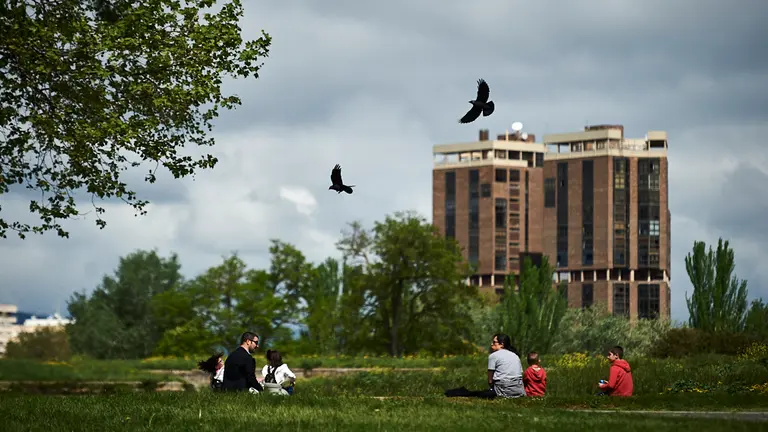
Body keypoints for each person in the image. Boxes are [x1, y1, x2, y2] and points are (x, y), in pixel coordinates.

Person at [444, 333, 526, 399]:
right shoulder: (515, 355)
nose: (491, 344)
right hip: (519, 390)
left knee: (477, 394)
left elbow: (490, 381)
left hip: (503, 390)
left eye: (494, 342)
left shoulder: (494, 356)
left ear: (502, 344)